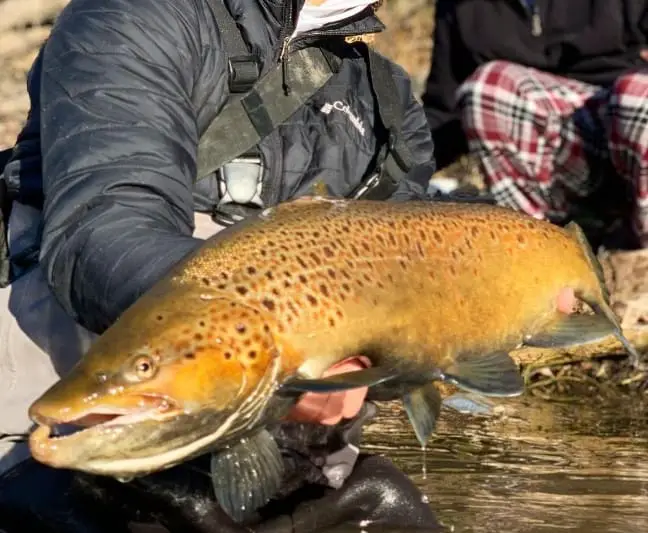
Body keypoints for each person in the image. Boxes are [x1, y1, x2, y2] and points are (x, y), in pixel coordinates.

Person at [0, 0, 440, 531]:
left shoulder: (389, 101)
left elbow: (409, 306)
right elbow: (104, 233)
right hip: (86, 394)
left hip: (272, 433)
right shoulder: (134, 16)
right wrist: (284, 347)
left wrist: (368, 360)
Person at [422, 0, 648, 250]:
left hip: (631, 138)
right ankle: (542, 250)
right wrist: (390, 171)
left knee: (637, 96)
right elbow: (444, 112)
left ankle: (639, 257)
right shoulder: (459, 7)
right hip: (562, 161)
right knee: (490, 87)